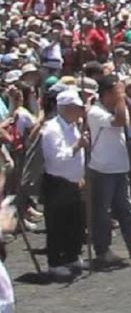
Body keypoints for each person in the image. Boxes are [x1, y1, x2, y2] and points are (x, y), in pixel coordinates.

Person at [85, 74, 131, 266]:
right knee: (102, 213)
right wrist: (121, 100)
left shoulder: (120, 107)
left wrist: (127, 101)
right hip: (102, 169)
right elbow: (118, 122)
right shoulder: (96, 112)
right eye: (116, 91)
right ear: (106, 93)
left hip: (120, 167)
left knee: (125, 210)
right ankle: (103, 250)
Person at [39, 89, 89, 278]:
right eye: (77, 108)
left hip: (73, 181)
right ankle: (55, 261)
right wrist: (78, 146)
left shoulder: (73, 126)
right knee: (57, 224)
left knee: (74, 222)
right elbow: (57, 158)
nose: (80, 111)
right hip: (57, 182)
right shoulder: (52, 129)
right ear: (67, 109)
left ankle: (71, 255)